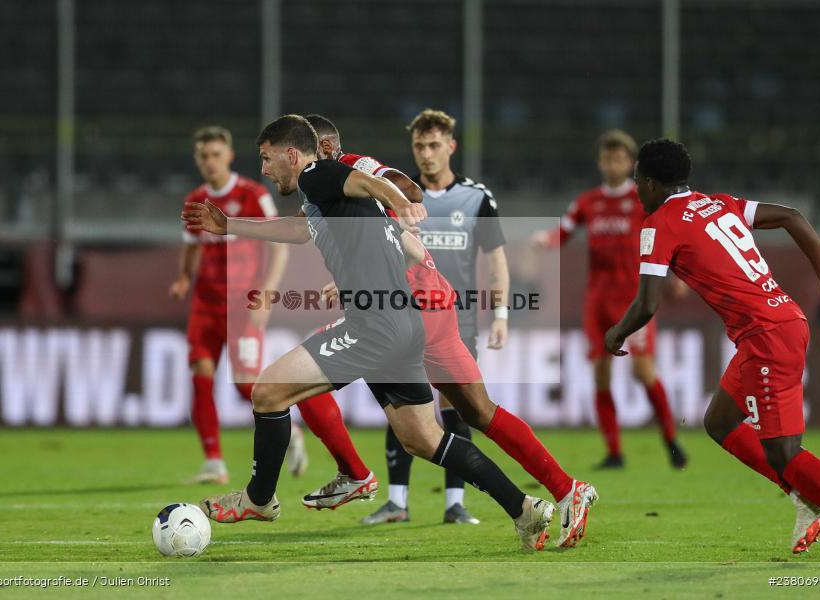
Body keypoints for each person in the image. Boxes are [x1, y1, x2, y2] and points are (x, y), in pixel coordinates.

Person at [185, 114, 555, 551]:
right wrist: (230, 226)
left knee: (268, 391)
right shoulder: (322, 196)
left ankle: (259, 499)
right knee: (423, 438)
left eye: (266, 159)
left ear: (290, 154)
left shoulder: (317, 173)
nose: (264, 169)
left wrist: (401, 200)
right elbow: (303, 229)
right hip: (402, 325)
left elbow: (368, 183)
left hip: (373, 326)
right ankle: (525, 508)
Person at [297, 114, 596, 547]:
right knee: (478, 412)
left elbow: (406, 206)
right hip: (438, 303)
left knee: (296, 376)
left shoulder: (349, 172)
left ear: (321, 149)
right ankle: (567, 488)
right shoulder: (338, 187)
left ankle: (356, 474)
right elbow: (401, 238)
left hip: (405, 309)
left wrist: (399, 199)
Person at [605, 138, 820, 553]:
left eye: (637, 181)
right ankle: (803, 496)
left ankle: (818, 497)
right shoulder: (717, 202)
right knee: (719, 422)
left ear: (650, 182)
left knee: (784, 454)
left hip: (767, 336)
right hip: (782, 321)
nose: (635, 189)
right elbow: (792, 216)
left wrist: (616, 333)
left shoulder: (659, 223)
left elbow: (647, 303)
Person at [362, 108, 509, 525]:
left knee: (457, 407)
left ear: (451, 146)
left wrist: (500, 314)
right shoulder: (395, 195)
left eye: (433, 145)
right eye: (418, 146)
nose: (425, 154)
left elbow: (496, 261)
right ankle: (397, 502)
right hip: (403, 314)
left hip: (457, 319)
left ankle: (454, 503)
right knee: (403, 404)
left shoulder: (477, 197)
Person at [534, 130, 687, 469]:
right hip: (598, 301)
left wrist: (675, 273)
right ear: (600, 162)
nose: (612, 163)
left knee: (643, 371)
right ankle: (615, 452)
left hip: (635, 299)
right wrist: (543, 241)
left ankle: (672, 440)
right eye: (607, 158)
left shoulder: (642, 200)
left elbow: (666, 236)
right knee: (601, 374)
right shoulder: (588, 202)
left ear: (631, 164)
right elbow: (564, 231)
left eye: (618, 158)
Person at [169, 126, 303, 484]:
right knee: (200, 376)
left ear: (228, 156)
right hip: (206, 305)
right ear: (197, 160)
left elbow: (279, 247)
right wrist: (184, 277)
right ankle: (214, 461)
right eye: (203, 156)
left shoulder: (252, 195)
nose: (210, 162)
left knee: (247, 387)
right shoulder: (194, 200)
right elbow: (191, 245)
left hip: (244, 306)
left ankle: (290, 431)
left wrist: (267, 295)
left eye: (216, 155)